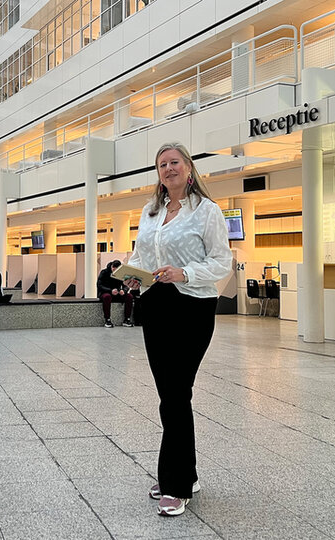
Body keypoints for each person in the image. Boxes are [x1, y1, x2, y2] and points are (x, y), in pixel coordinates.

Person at [125, 142, 231, 517]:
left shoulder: (207, 211)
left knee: (176, 393)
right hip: (155, 304)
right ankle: (185, 472)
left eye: (174, 162)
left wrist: (183, 272)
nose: (168, 168)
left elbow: (222, 262)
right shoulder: (150, 211)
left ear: (188, 169)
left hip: (191, 306)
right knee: (168, 394)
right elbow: (141, 255)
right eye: (162, 164)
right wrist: (133, 274)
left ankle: (176, 484)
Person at [97, 259, 134, 328]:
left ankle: (127, 319)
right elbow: (99, 285)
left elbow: (126, 285)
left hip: (117, 293)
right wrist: (110, 290)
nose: (115, 271)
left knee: (129, 296)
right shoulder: (104, 272)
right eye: (114, 269)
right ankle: (107, 319)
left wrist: (124, 291)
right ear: (112, 267)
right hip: (105, 293)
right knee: (107, 297)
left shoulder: (121, 273)